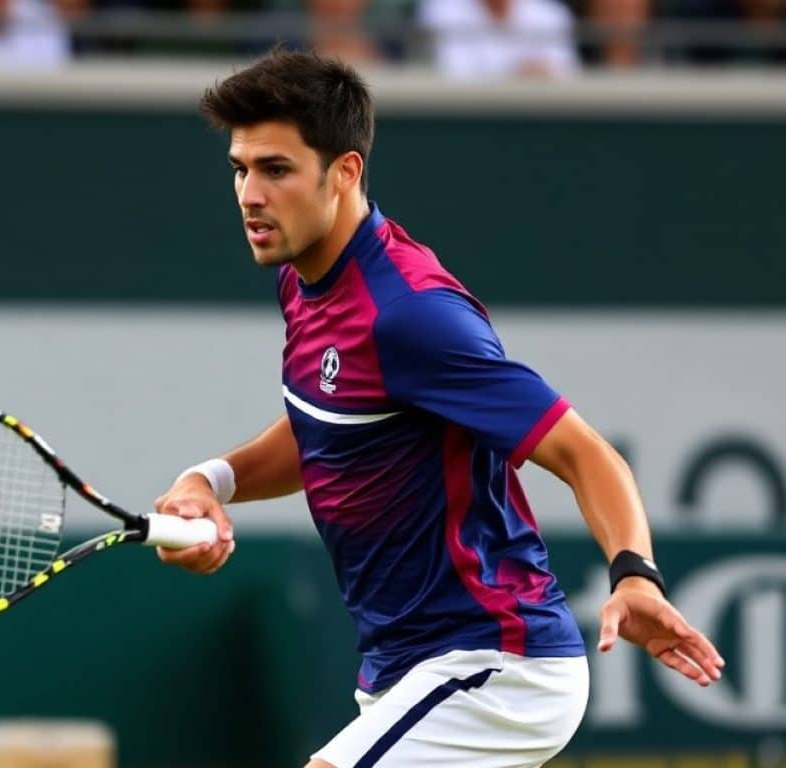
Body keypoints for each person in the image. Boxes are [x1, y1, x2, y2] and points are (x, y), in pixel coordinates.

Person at [153, 48, 724, 768]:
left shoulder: (411, 316)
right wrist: (213, 480)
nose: (249, 194)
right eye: (240, 169)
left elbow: (586, 454)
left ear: (345, 172)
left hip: (496, 666)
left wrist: (635, 574)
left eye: (275, 169)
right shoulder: (305, 282)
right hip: (403, 672)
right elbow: (327, 427)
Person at [417, 0, 579, 79]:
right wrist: (517, 73)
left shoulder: (551, 14)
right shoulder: (440, 9)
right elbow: (451, 74)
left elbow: (566, 75)